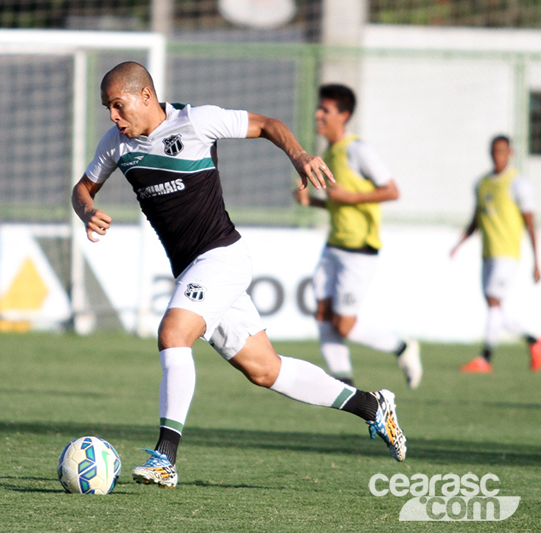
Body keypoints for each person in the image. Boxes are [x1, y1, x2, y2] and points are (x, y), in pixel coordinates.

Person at [71, 61, 407, 489]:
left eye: (118, 107)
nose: (114, 118)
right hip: (193, 269)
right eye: (108, 110)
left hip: (222, 257)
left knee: (173, 333)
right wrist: (87, 211)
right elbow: (82, 187)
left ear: (145, 97)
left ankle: (165, 459)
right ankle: (372, 406)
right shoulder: (116, 143)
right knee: (266, 370)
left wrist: (300, 156)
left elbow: (268, 124)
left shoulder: (196, 121)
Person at [294, 83, 422, 390]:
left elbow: (392, 191)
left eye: (325, 110)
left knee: (345, 325)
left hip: (360, 250)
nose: (318, 114)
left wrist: (348, 197)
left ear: (344, 115)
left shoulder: (358, 149)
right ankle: (344, 383)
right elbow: (341, 203)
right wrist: (313, 202)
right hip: (334, 245)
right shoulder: (330, 152)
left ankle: (402, 347)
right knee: (323, 314)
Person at [451, 134, 541, 373]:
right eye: (494, 151)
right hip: (488, 253)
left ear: (510, 153)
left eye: (502, 151)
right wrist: (459, 244)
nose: (497, 155)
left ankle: (486, 358)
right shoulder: (482, 183)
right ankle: (534, 341)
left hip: (508, 253)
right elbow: (476, 220)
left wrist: (536, 261)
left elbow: (530, 222)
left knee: (493, 302)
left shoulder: (517, 183)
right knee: (495, 308)